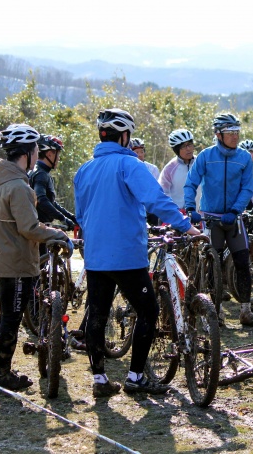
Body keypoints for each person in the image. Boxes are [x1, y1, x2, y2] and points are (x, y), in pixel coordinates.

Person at [74, 108, 201, 398]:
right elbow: (155, 199)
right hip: (126, 254)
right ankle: (135, 377)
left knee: (97, 314)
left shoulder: (84, 170)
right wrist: (185, 226)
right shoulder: (130, 166)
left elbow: (81, 215)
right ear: (125, 136)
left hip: (96, 256)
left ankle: (100, 379)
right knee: (148, 310)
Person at [0, 124, 71, 391]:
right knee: (11, 318)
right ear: (28, 153)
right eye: (35, 150)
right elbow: (29, 228)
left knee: (5, 315)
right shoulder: (18, 185)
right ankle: (2, 374)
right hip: (14, 264)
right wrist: (58, 235)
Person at [184, 113, 253, 327]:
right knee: (214, 265)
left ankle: (246, 311)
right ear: (218, 134)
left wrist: (236, 209)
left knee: (242, 263)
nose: (235, 137)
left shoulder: (244, 158)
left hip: (234, 220)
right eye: (230, 133)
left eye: (237, 132)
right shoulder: (206, 156)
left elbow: (248, 187)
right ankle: (216, 310)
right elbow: (191, 182)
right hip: (211, 219)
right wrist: (191, 207)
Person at [28, 134, 78, 256]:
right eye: (57, 154)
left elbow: (51, 202)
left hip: (33, 226)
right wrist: (62, 219)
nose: (58, 158)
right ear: (50, 154)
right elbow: (41, 199)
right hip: (40, 228)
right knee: (41, 268)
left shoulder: (34, 171)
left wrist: (70, 217)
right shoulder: (41, 174)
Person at [159, 129, 197, 209]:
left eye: (190, 144)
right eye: (183, 146)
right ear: (176, 150)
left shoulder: (200, 163)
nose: (188, 149)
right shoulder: (169, 169)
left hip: (200, 215)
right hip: (177, 216)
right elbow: (162, 194)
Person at [130, 137, 161, 226]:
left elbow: (157, 189)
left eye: (141, 152)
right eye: (136, 152)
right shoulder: (127, 169)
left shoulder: (152, 168)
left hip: (149, 206)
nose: (140, 155)